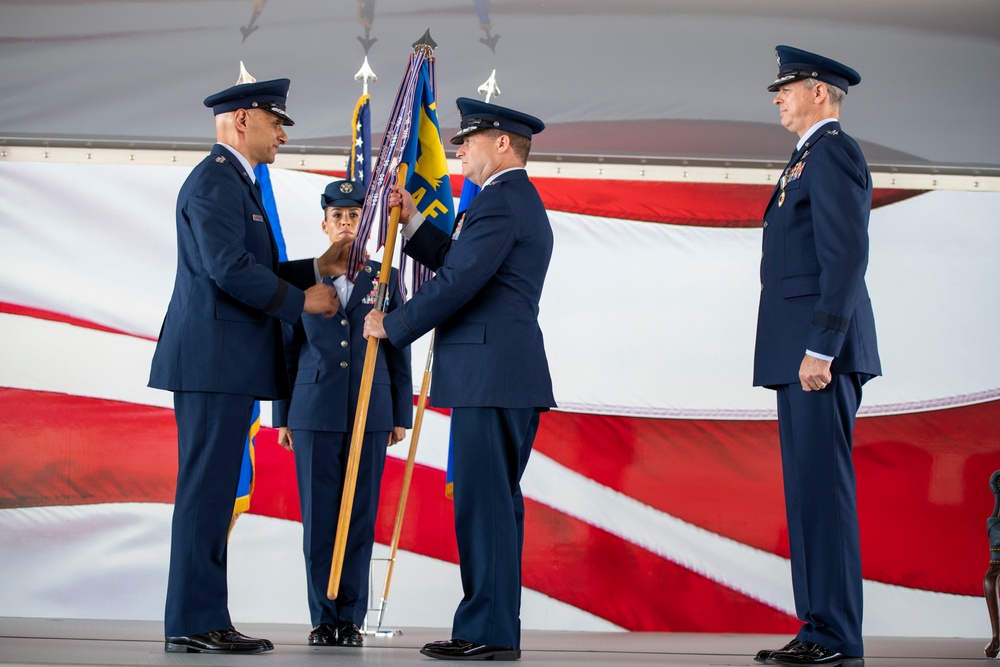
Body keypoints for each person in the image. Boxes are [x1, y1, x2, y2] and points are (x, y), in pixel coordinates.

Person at [148, 75, 353, 654]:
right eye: (276, 122)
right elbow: (228, 269)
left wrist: (317, 268)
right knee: (206, 491)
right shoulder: (217, 182)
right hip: (213, 361)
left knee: (212, 492)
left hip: (225, 362)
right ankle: (193, 621)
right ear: (243, 120)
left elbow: (245, 267)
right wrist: (302, 300)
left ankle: (204, 616)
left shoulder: (235, 182)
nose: (283, 134)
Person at [363, 97, 554, 662]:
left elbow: (456, 284)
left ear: (501, 144)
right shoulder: (506, 201)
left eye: (469, 141)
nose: (459, 150)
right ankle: (490, 627)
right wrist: (415, 219)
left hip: (492, 376)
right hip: (496, 374)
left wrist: (391, 326)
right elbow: (458, 259)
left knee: (486, 505)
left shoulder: (500, 202)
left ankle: (487, 633)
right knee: (489, 503)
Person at [752, 46, 881, 667]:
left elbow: (845, 257)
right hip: (799, 353)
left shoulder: (832, 152)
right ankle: (817, 628)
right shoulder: (804, 159)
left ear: (821, 93)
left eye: (789, 87)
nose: (778, 97)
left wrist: (820, 346)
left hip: (817, 355)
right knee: (806, 497)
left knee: (822, 495)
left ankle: (835, 636)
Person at [272, 179, 412, 648]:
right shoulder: (302, 279)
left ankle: (349, 617)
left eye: (354, 216)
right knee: (319, 518)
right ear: (325, 224)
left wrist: (399, 412)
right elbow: (287, 349)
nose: (346, 224)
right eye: (338, 217)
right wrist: (284, 416)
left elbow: (400, 348)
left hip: (370, 410)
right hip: (313, 412)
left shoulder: (384, 277)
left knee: (359, 516)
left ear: (364, 224)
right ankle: (322, 617)